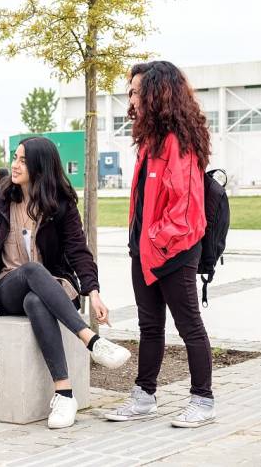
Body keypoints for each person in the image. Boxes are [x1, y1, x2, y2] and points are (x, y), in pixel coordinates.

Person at [0, 137, 131, 429]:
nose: (14, 165)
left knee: (36, 300)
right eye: (14, 158)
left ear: (40, 167)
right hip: (9, 287)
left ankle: (65, 393)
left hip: (51, 288)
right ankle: (92, 341)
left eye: (22, 160)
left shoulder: (61, 204)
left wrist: (93, 292)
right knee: (31, 271)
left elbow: (78, 250)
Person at [105, 61, 214, 428]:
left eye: (135, 91)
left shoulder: (176, 142)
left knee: (189, 327)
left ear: (156, 94)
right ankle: (144, 396)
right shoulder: (148, 140)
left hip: (175, 250)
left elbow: (183, 209)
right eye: (130, 91)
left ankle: (202, 400)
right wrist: (141, 241)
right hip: (146, 250)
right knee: (149, 326)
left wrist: (154, 239)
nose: (131, 98)